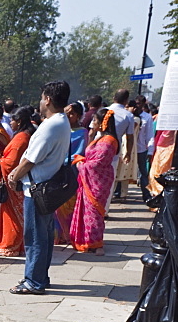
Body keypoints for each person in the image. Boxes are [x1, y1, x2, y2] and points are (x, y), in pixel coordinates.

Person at [7, 81, 72, 295]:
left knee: (34, 238)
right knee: (43, 237)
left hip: (36, 189)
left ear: (48, 99)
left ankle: (33, 282)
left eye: (42, 97)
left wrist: (15, 174)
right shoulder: (62, 122)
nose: (40, 102)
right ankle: (40, 277)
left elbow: (31, 159)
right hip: (46, 187)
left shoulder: (51, 125)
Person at [69, 107, 119, 253]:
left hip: (98, 180)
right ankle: (86, 239)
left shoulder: (109, 141)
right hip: (91, 178)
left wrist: (81, 164)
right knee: (87, 210)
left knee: (94, 212)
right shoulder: (101, 138)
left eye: (95, 120)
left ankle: (97, 244)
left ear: (102, 123)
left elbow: (98, 163)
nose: (92, 122)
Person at [0, 107, 34, 257]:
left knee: (12, 215)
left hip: (14, 181)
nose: (10, 122)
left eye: (12, 120)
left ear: (20, 121)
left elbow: (11, 163)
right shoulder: (26, 135)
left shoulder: (21, 138)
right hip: (21, 180)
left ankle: (11, 245)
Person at [54, 102, 87, 245]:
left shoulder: (82, 132)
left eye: (72, 113)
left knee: (69, 204)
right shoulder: (60, 129)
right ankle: (57, 234)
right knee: (56, 204)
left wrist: (64, 160)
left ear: (78, 116)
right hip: (56, 169)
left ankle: (69, 234)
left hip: (71, 171)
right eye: (66, 112)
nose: (68, 116)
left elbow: (79, 153)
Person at [106, 89, 135, 208]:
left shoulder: (104, 111)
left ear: (113, 97)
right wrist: (128, 153)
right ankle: (104, 211)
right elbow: (130, 137)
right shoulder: (128, 115)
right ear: (126, 101)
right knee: (109, 181)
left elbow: (92, 131)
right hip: (113, 150)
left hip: (96, 148)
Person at [135, 97, 154, 203]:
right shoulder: (130, 116)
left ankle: (146, 195)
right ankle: (119, 192)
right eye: (136, 103)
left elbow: (150, 135)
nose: (137, 105)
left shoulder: (147, 117)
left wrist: (150, 150)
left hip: (141, 148)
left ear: (143, 104)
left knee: (143, 173)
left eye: (139, 103)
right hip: (129, 149)